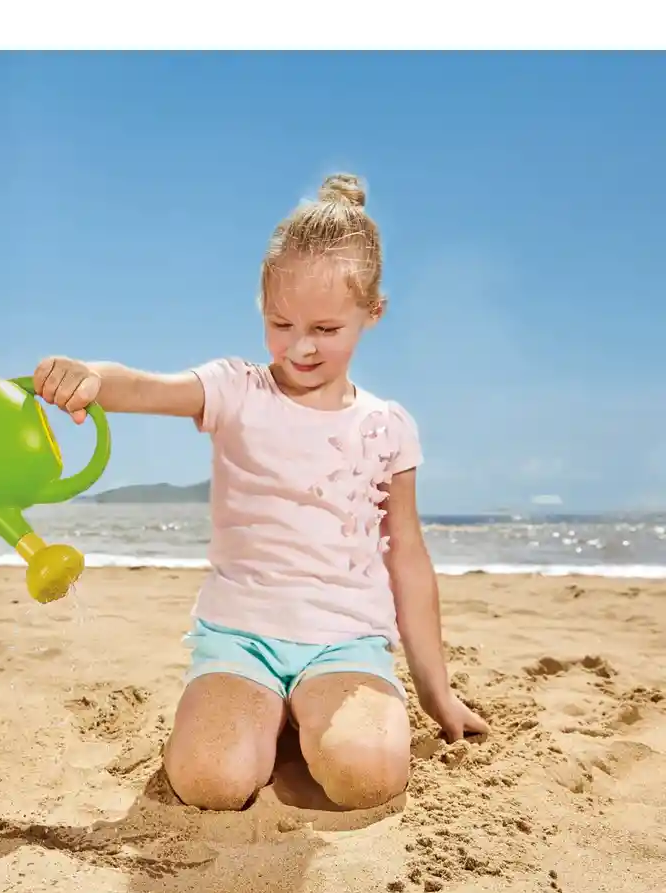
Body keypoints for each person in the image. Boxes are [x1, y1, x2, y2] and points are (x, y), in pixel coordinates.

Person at [33, 172, 489, 813]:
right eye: (281, 323)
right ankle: (260, 713)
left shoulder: (387, 426)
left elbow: (407, 559)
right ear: (262, 307)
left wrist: (436, 692)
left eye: (327, 330)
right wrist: (87, 377)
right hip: (239, 637)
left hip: (344, 640)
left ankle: (309, 713)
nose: (301, 347)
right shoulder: (235, 389)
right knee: (209, 782)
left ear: (372, 312)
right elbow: (142, 387)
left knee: (368, 778)